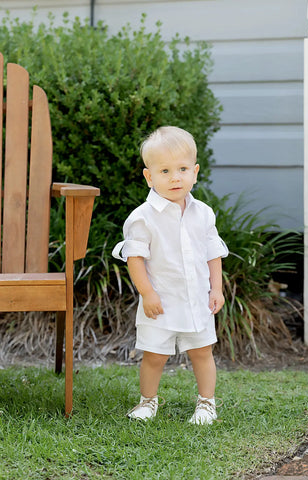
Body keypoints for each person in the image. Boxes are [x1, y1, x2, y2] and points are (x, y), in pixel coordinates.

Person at [112, 126, 228, 424]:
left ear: (195, 172)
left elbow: (212, 253)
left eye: (182, 169)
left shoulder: (203, 213)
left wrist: (216, 289)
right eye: (165, 170)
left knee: (202, 353)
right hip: (160, 301)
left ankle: (206, 404)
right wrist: (147, 293)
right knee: (154, 355)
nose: (175, 177)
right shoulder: (142, 218)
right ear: (149, 176)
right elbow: (135, 258)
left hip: (196, 299)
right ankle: (148, 401)